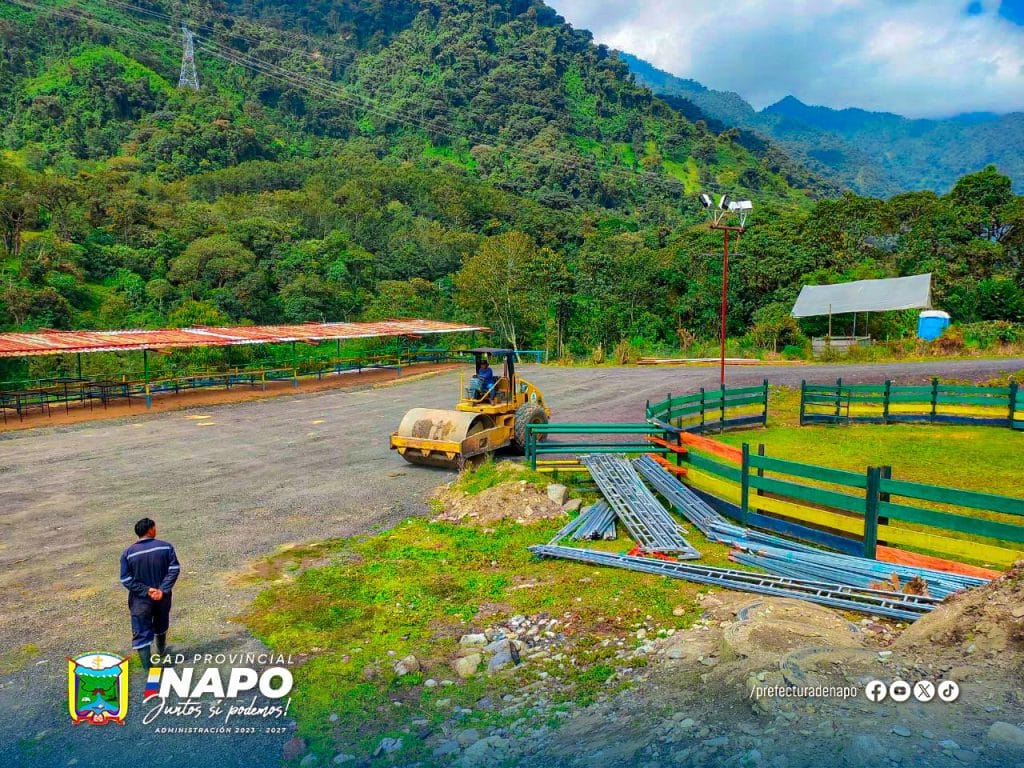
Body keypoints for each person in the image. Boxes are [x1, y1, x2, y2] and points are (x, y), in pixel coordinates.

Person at [119, 518, 180, 670]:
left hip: (140, 601)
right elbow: (174, 569)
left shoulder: (128, 553)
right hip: (162, 597)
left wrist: (146, 590)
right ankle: (161, 651)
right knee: (161, 622)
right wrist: (162, 590)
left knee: (141, 629)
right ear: (151, 530)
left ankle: (148, 667)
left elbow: (126, 579)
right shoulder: (166, 547)